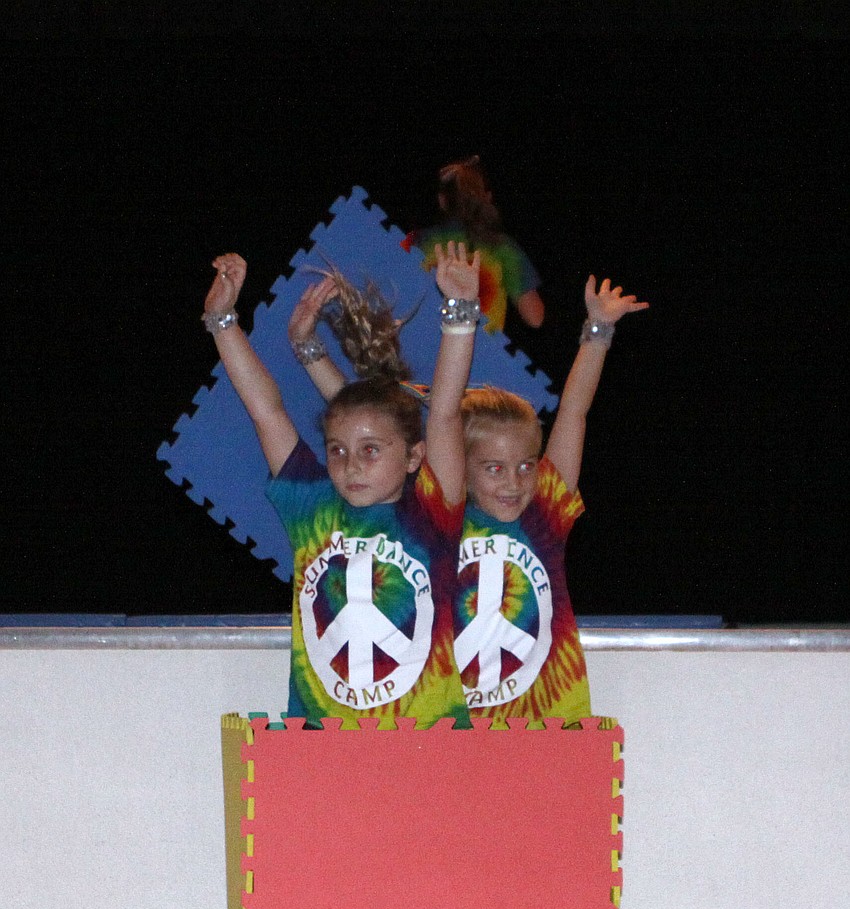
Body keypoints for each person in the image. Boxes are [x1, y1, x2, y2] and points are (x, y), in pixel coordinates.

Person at [201, 243, 481, 729]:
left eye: (371, 450)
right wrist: (222, 321)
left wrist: (460, 313)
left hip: (431, 740)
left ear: (414, 457)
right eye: (337, 450)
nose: (351, 465)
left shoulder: (432, 515)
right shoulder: (311, 507)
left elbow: (444, 414)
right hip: (321, 741)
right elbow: (267, 412)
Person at [455, 276, 649, 727]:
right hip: (458, 728)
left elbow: (574, 412)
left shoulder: (545, 512)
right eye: (494, 468)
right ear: (460, 468)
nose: (513, 482)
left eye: (526, 465)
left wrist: (598, 331)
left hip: (552, 723)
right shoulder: (436, 520)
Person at [404, 155, 545, 334]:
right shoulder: (503, 248)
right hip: (478, 351)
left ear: (442, 200)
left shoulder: (414, 240)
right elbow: (535, 318)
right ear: (487, 198)